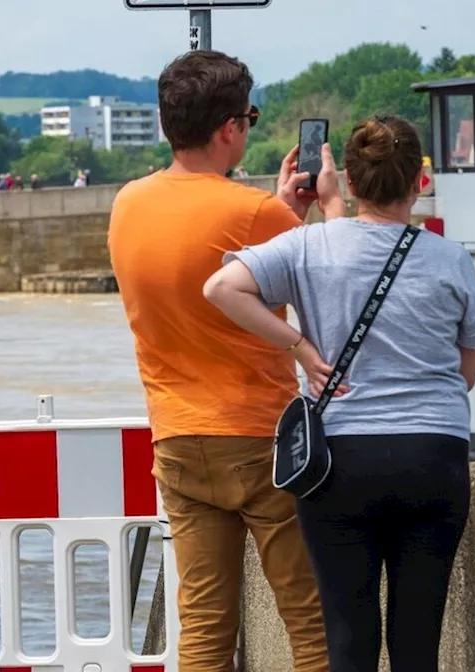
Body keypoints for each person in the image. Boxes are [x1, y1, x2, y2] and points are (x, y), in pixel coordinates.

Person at [203, 116, 475, 671]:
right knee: (417, 641)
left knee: (347, 637)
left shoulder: (308, 245)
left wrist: (298, 346)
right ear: (420, 183)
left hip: (339, 460)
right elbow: (469, 367)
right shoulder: (449, 258)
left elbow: (222, 287)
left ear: (351, 184)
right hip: (432, 455)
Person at [107, 49, 329, 671]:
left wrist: (282, 209)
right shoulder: (255, 212)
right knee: (309, 617)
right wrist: (299, 206)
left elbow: (207, 253)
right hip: (259, 438)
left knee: (204, 623)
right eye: (250, 118)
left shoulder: (128, 203)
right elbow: (314, 272)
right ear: (230, 127)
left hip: (177, 437)